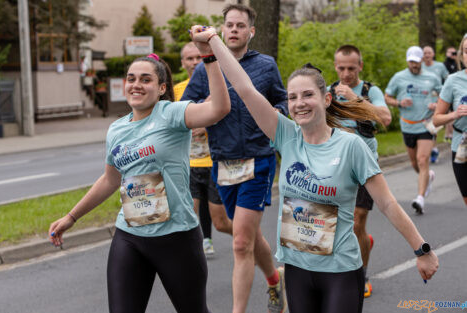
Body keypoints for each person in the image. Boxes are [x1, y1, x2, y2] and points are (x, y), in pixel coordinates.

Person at [190, 25, 439, 313]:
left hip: (341, 271)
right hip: (297, 269)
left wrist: (422, 250)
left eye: (307, 95)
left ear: (326, 99)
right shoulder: (285, 135)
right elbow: (244, 89)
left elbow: (386, 203)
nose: (299, 104)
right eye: (292, 97)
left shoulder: (351, 147)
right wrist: (212, 42)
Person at [48, 48, 231, 313]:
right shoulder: (117, 129)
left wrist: (209, 57)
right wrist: (71, 217)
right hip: (130, 236)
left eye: (145, 79)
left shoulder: (171, 114)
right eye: (131, 78)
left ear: (161, 88)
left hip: (177, 238)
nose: (136, 84)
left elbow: (219, 108)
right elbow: (110, 180)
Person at [182, 5, 288, 313]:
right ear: (222, 29)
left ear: (251, 32)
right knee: (249, 235)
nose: (234, 30)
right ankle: (274, 279)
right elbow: (186, 107)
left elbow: (281, 98)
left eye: (240, 26)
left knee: (241, 243)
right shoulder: (205, 68)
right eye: (229, 25)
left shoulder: (266, 65)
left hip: (259, 158)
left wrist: (278, 113)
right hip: (223, 161)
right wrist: (204, 108)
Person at [329, 44, 391, 298]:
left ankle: (361, 273)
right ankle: (352, 250)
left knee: (357, 220)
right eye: (341, 68)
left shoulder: (369, 90)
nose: (345, 74)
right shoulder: (329, 91)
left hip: (364, 165)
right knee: (333, 223)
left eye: (351, 68)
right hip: (335, 165)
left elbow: (385, 119)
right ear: (335, 66)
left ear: (360, 66)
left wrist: (355, 99)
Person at [174, 42, 233, 257]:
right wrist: (191, 124)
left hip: (214, 161)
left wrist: (207, 122)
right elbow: (172, 123)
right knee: (188, 214)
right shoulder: (177, 90)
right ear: (182, 62)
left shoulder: (218, 86)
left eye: (199, 57)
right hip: (188, 163)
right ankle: (190, 255)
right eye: (189, 58)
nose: (194, 62)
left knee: (221, 222)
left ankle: (248, 236)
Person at [385, 46, 442, 214]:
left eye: (416, 62)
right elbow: (387, 97)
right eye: (411, 62)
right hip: (407, 125)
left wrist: (436, 104)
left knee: (423, 159)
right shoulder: (399, 77)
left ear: (421, 61)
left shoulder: (432, 77)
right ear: (407, 61)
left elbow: (444, 96)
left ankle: (420, 199)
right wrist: (399, 103)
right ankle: (428, 177)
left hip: (425, 124)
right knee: (415, 164)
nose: (414, 65)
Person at [433, 35, 467, 206]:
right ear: (461, 55)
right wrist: (455, 114)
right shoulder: (453, 81)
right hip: (461, 146)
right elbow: (436, 119)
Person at [422, 45, 449, 163]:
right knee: (422, 125)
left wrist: (443, 95)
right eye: (425, 53)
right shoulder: (420, 67)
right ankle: (429, 148)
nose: (427, 55)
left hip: (437, 98)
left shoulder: (439, 66)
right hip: (422, 99)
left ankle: (433, 148)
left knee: (433, 126)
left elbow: (448, 79)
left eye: (429, 53)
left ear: (433, 54)